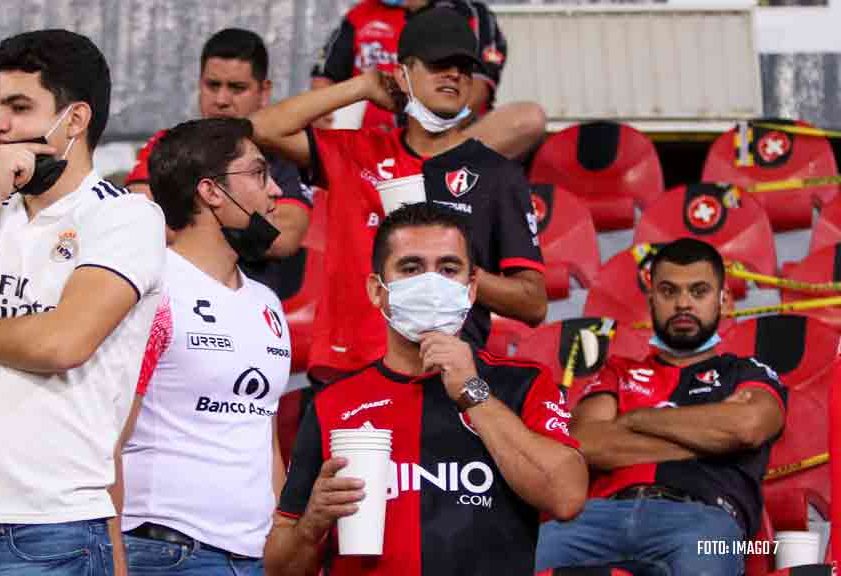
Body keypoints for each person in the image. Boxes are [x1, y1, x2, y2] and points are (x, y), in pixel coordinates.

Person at [0, 29, 166, 575]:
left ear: (75, 120)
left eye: (19, 107)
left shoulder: (125, 217)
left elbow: (60, 342)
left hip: (52, 526)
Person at [264, 202, 586, 576]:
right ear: (377, 290)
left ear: (471, 289)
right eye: (411, 268)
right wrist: (311, 527)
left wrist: (472, 391)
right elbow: (279, 569)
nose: (431, 284)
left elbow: (566, 498)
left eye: (448, 269)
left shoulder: (523, 383)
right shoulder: (333, 402)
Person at [251, 6, 547, 382]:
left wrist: (446, 270)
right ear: (403, 74)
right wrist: (361, 86)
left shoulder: (496, 173)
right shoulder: (357, 152)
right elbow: (260, 128)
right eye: (439, 63)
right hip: (347, 372)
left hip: (442, 380)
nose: (453, 73)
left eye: (463, 66)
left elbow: (533, 302)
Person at [535, 238, 788, 576]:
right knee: (514, 557)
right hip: (595, 516)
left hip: (705, 519)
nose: (683, 303)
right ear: (652, 300)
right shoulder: (617, 370)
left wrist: (635, 418)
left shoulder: (747, 371)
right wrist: (709, 440)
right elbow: (583, 444)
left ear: (724, 301)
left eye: (698, 292)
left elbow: (747, 427)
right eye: (669, 292)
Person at [115, 117, 291, 576]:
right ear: (211, 191)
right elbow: (106, 440)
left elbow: (263, 436)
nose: (275, 191)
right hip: (165, 551)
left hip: (252, 556)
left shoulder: (267, 303)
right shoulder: (152, 290)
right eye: (258, 173)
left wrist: (278, 539)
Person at [125, 28, 312, 299]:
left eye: (237, 88)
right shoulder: (168, 143)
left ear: (264, 91)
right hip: (172, 300)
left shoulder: (284, 155)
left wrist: (189, 223)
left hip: (253, 306)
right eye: (212, 85)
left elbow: (285, 237)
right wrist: (244, 221)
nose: (221, 100)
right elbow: (142, 213)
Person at [312, 0, 507, 131]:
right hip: (368, 139)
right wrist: (321, 111)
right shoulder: (360, 14)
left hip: (452, 134)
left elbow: (478, 88)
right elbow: (325, 76)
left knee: (528, 119)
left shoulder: (471, 14)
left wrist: (429, 132)